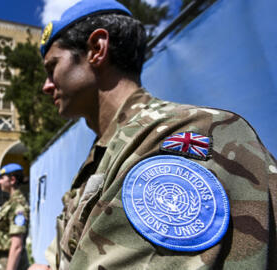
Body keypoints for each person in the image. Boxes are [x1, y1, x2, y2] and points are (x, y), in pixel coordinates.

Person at [30, 0, 277, 269]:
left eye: (52, 67)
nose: (46, 85)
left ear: (96, 50)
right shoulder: (104, 155)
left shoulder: (184, 136)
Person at [0, 163, 30, 270]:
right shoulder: (11, 203)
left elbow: (17, 246)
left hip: (12, 263)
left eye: (2, 178)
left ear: (12, 180)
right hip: (5, 259)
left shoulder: (17, 205)